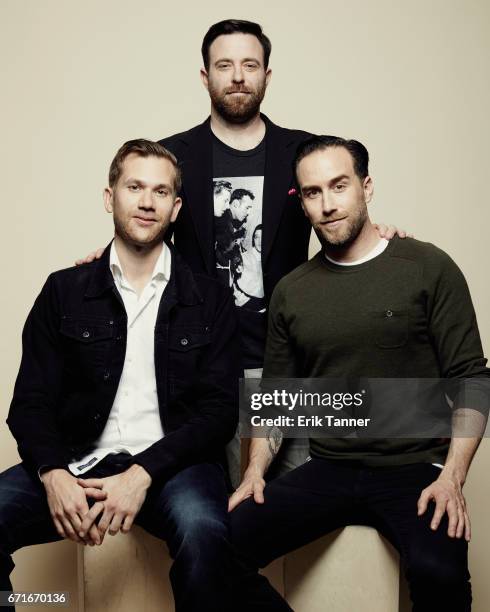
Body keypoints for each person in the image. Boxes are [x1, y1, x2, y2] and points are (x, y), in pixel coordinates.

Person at [77, 19, 407, 476]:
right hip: (201, 367)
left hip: (285, 364)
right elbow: (145, 226)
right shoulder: (173, 157)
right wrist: (108, 257)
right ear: (205, 76)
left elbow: (336, 219)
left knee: (288, 508)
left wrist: (379, 236)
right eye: (224, 65)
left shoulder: (302, 153)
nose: (237, 76)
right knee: (220, 514)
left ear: (266, 76)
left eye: (249, 65)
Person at [229, 135, 490, 611]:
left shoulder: (427, 267)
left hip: (414, 468)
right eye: (312, 193)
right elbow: (277, 395)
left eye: (338, 186)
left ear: (366, 187)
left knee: (439, 575)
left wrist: (452, 476)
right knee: (221, 547)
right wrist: (254, 472)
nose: (327, 205)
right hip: (329, 467)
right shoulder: (293, 291)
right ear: (302, 203)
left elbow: (471, 377)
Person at [0, 139, 240, 612]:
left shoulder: (209, 298)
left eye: (160, 191)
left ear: (175, 208)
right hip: (76, 464)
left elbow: (219, 412)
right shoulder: (64, 290)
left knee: (206, 535)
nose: (147, 201)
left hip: (173, 469)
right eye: (134, 187)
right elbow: (30, 401)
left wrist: (143, 472)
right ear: (110, 197)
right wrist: (52, 474)